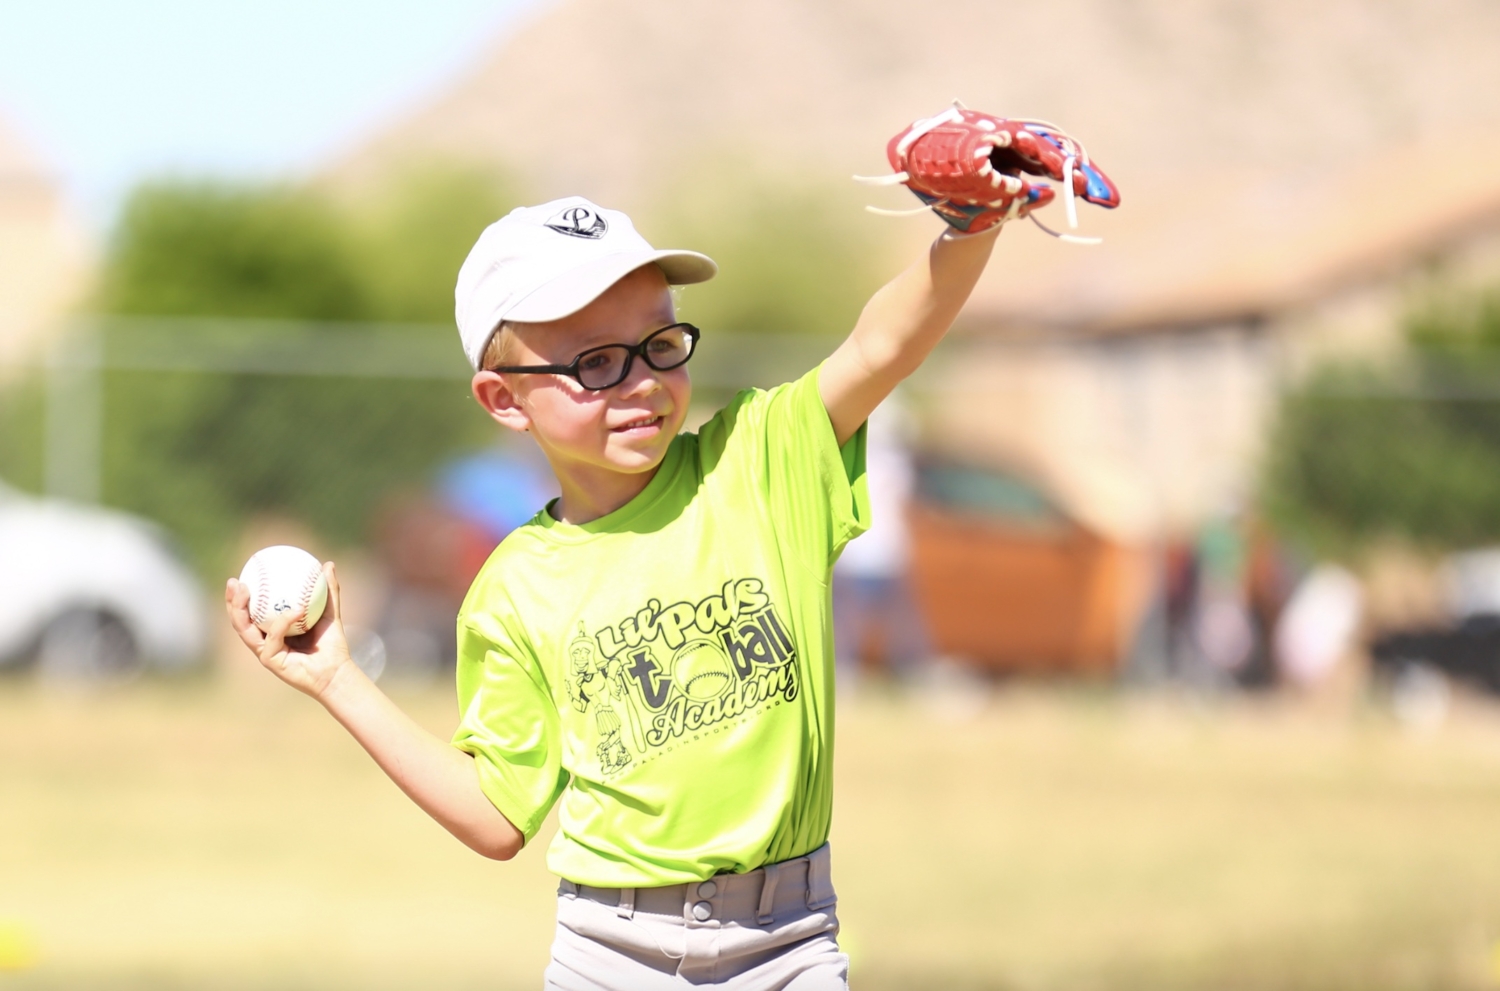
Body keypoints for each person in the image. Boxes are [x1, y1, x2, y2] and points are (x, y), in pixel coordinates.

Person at [224, 188, 1003, 989]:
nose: (642, 381)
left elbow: (882, 347)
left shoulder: (761, 466)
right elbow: (497, 815)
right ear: (503, 396)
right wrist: (334, 679)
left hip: (789, 944)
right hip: (609, 956)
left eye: (662, 343)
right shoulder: (514, 586)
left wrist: (968, 228)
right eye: (595, 362)